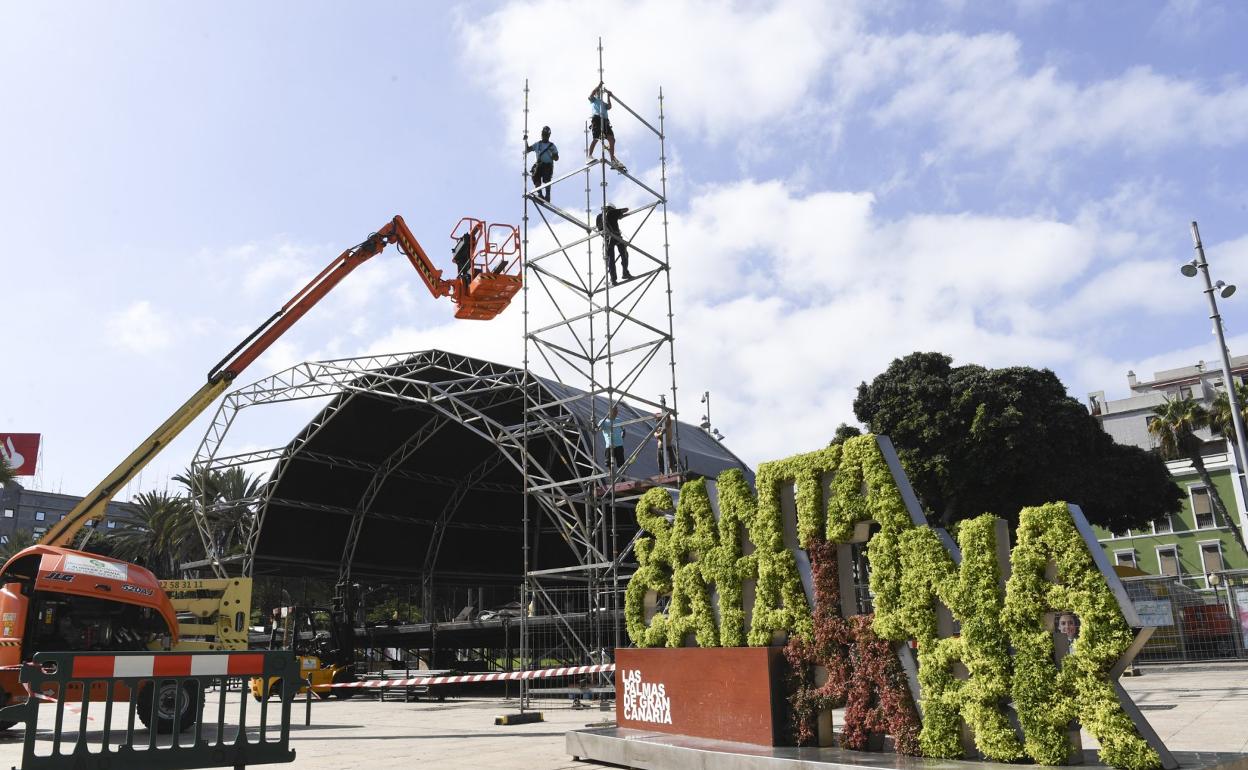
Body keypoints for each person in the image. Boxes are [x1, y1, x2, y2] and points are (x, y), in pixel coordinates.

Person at [587, 83, 625, 172]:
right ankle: (589, 156)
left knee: (612, 139)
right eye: (598, 92)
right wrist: (598, 86)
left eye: (600, 92)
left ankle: (612, 160)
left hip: (605, 121)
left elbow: (609, 106)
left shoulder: (603, 103)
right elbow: (591, 94)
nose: (599, 93)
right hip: (597, 119)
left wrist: (609, 96)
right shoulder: (594, 100)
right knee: (596, 138)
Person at [595, 204, 632, 286]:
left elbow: (600, 228)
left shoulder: (599, 216)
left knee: (611, 260)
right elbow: (626, 209)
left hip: (607, 239)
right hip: (615, 237)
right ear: (610, 208)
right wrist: (619, 213)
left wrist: (620, 216)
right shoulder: (611, 213)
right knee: (624, 254)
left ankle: (613, 279)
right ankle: (625, 272)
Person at [526, 126, 559, 202]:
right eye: (544, 134)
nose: (545, 136)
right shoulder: (538, 144)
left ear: (548, 136)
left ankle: (547, 195)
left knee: (547, 179)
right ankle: (540, 194)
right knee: (536, 176)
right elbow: (527, 150)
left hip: (547, 166)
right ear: (542, 134)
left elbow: (556, 158)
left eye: (546, 135)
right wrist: (526, 141)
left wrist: (553, 154)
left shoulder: (552, 146)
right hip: (539, 165)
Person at [598, 405, 625, 471]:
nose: (616, 413)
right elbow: (597, 429)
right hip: (609, 446)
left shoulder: (619, 420)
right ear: (610, 412)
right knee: (609, 463)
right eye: (615, 411)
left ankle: (622, 478)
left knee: (621, 463)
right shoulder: (603, 421)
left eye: (617, 411)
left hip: (619, 445)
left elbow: (623, 430)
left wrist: (622, 435)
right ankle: (612, 477)